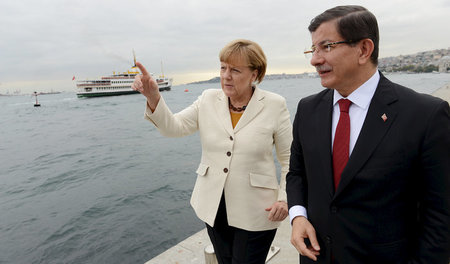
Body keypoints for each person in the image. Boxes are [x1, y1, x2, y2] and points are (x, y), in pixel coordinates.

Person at [286, 5, 450, 264]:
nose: (315, 59)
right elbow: (297, 173)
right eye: (313, 49)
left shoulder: (425, 115)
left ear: (364, 49)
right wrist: (298, 216)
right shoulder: (307, 109)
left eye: (326, 47)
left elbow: (440, 214)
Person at [133, 39, 292, 264]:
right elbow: (174, 128)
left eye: (235, 70)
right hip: (214, 205)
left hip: (258, 209)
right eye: (223, 67)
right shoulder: (207, 98)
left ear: (254, 74)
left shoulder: (275, 104)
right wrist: (153, 97)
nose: (226, 75)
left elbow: (290, 159)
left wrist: (284, 199)